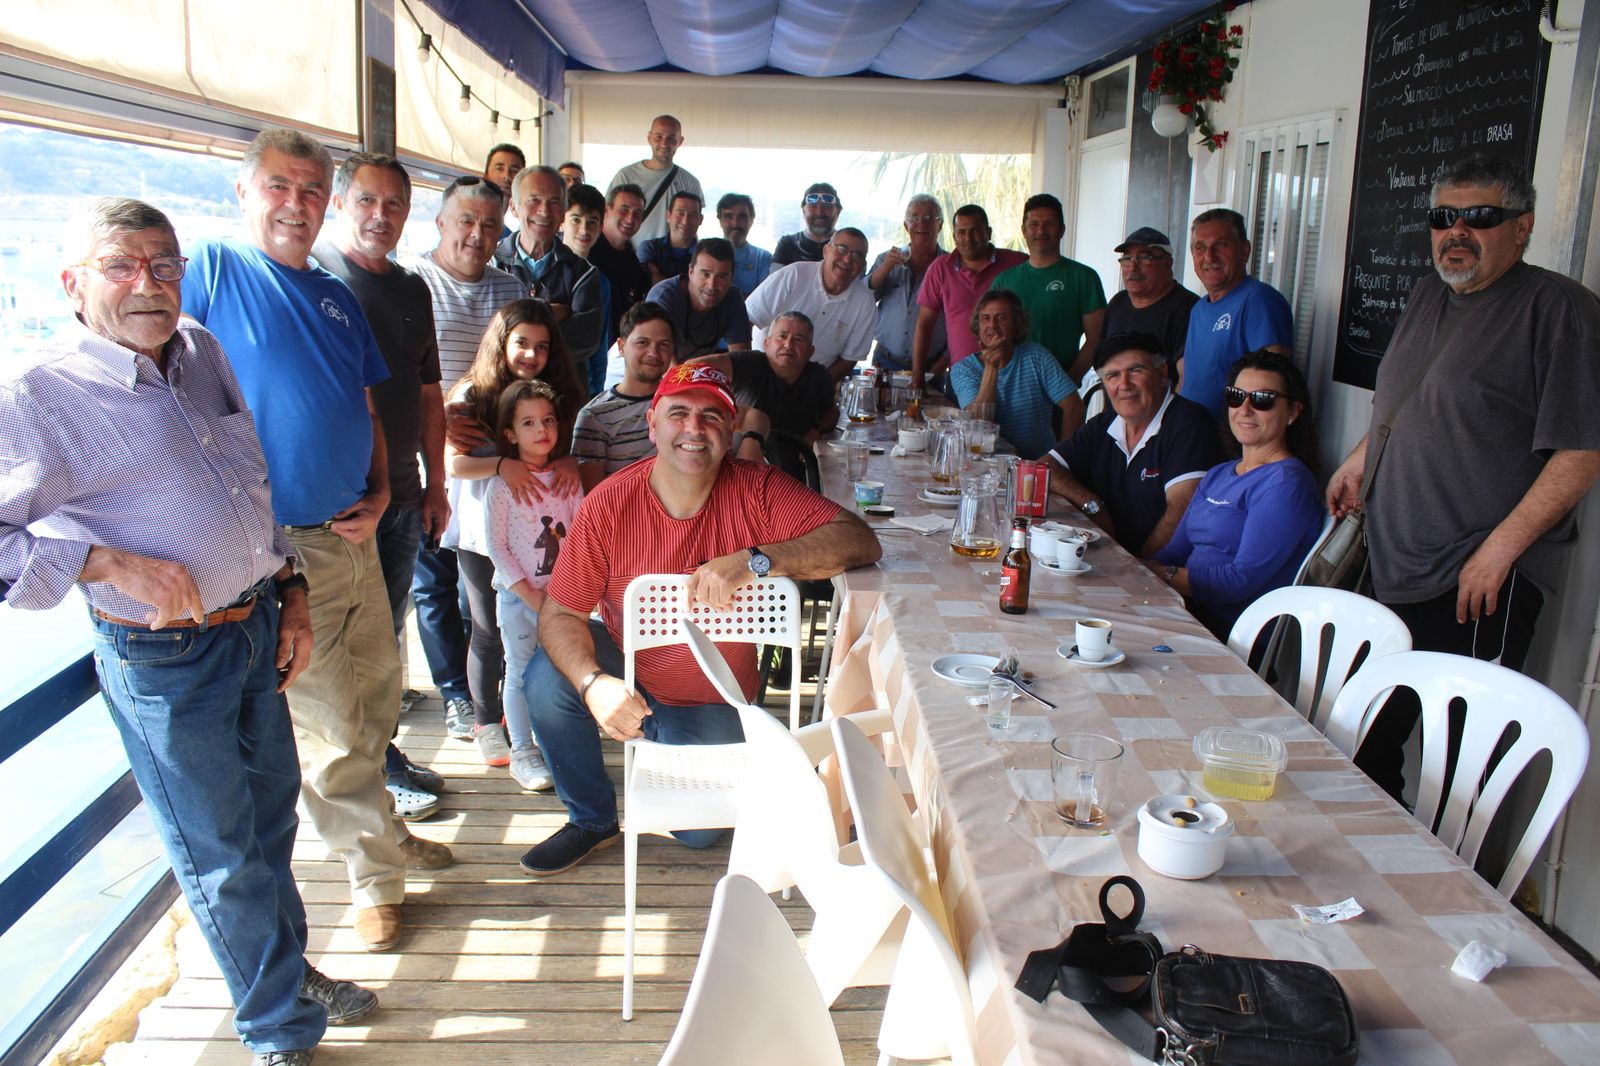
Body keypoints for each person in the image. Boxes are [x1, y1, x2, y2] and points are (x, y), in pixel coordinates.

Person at [1, 196, 376, 1066]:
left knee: (273, 825)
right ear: (71, 284)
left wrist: (294, 590)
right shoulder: (39, 397)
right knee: (221, 856)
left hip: (254, 630)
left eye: (164, 265)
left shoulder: (199, 349)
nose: (148, 284)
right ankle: (279, 1032)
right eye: (121, 266)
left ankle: (287, 974)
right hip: (164, 658)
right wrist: (102, 564)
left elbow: (248, 479)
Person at [182, 128, 438, 953]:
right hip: (285, 547)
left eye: (311, 191)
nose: (297, 204)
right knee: (327, 721)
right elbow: (153, 374)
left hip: (354, 530)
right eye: (281, 187)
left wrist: (385, 488)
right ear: (246, 192)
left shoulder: (334, 294)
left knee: (375, 693)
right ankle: (373, 878)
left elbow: (362, 408)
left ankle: (386, 838)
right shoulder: (215, 272)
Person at [519, 363, 882, 875]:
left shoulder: (756, 488)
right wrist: (593, 683)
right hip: (629, 666)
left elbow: (860, 539)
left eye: (712, 416)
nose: (694, 429)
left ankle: (659, 746)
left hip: (715, 694)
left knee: (700, 832)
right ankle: (591, 820)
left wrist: (756, 560)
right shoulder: (608, 504)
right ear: (652, 423)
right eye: (679, 413)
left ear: (731, 431)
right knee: (545, 681)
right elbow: (560, 612)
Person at [1325, 155, 1600, 801]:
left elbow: (1581, 453)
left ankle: (1455, 891)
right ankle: (1376, 869)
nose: (1456, 232)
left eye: (1479, 218)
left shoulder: (1558, 310)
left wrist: (1497, 554)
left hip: (1475, 580)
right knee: (1364, 737)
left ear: (1522, 226)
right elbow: (1406, 400)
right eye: (1443, 218)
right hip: (1393, 561)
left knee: (1460, 768)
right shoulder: (1428, 295)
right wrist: (1362, 457)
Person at [315, 152, 452, 823]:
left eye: (393, 204)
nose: (380, 216)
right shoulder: (314, 279)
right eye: (367, 201)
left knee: (386, 639)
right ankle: (359, 778)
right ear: (341, 203)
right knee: (342, 646)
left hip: (401, 495)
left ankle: (382, 755)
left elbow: (429, 394)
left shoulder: (410, 287)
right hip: (340, 507)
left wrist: (436, 484)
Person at [407, 176, 526, 741]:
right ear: (440, 222)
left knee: (484, 583)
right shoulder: (410, 284)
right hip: (428, 458)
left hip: (495, 461)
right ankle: (457, 693)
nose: (477, 234)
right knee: (432, 582)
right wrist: (437, 417)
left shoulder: (511, 289)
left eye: (489, 224)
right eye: (466, 221)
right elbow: (385, 375)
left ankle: (494, 692)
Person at [444, 300, 583, 771]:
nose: (531, 354)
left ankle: (534, 722)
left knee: (528, 636)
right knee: (486, 628)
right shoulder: (471, 394)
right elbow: (452, 462)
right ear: (501, 342)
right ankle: (488, 722)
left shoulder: (551, 394)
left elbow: (569, 449)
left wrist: (564, 462)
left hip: (538, 520)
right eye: (522, 342)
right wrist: (503, 464)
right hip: (484, 522)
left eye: (542, 347)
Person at [1149, 351, 1323, 639]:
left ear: (1293, 412)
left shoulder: (1287, 483)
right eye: (1235, 396)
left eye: (1262, 399)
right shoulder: (1219, 473)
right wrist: (1138, 569)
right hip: (1181, 613)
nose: (1244, 409)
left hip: (1227, 636)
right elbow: (1175, 551)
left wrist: (1157, 575)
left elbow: (1239, 580)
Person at [486, 379, 584, 792]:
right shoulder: (501, 485)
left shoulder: (568, 480)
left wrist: (571, 592)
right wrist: (528, 592)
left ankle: (555, 746)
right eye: (528, 423)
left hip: (563, 601)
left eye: (547, 420)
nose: (540, 430)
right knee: (521, 673)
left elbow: (581, 536)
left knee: (560, 671)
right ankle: (523, 751)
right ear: (510, 433)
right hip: (519, 599)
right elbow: (496, 544)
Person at [1047, 332, 1222, 555]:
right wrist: (1092, 504)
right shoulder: (1104, 424)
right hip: (1110, 558)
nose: (1124, 384)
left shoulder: (1189, 423)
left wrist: (1137, 566)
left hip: (1163, 570)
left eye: (1136, 370)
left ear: (1161, 373)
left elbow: (1182, 509)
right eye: (1113, 375)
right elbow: (1046, 467)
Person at [690, 310, 838, 486]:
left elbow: (831, 413)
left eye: (798, 339)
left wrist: (815, 431)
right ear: (766, 343)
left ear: (811, 351)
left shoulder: (818, 376)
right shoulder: (748, 362)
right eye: (781, 336)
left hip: (792, 478)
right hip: (733, 469)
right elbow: (692, 369)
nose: (788, 344)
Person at [1177, 208, 1293, 419]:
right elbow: (1187, 376)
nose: (1209, 256)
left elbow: (1273, 382)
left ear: (1245, 250)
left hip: (1231, 443)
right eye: (1199, 247)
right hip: (1193, 436)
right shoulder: (1198, 309)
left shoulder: (1259, 300)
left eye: (1221, 245)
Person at [494, 165, 603, 386]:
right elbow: (482, 330)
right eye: (534, 200)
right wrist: (547, 312)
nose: (544, 211)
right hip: (500, 395)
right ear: (514, 207)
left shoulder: (583, 273)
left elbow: (586, 339)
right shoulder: (493, 262)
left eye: (554, 202)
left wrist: (514, 333)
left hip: (559, 400)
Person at [949, 289, 1084, 460]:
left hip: (1037, 464)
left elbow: (1075, 407)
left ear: (1016, 325)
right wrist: (991, 368)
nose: (992, 325)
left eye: (1002, 318)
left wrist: (1063, 459)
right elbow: (979, 425)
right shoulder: (963, 369)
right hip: (984, 465)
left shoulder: (1036, 356)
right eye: (985, 318)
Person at [911, 204, 1027, 390]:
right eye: (961, 232)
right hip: (962, 378)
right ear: (954, 236)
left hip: (1011, 376)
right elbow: (924, 323)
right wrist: (917, 377)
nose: (968, 239)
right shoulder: (941, 268)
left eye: (975, 231)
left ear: (988, 233)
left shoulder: (1017, 263)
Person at [992, 193, 1105, 381]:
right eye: (1034, 224)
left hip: (1061, 392)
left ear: (1062, 230)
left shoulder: (1083, 277)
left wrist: (1067, 382)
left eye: (1049, 224)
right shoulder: (1004, 280)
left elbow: (1096, 339)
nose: (1041, 231)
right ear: (1023, 230)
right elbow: (990, 332)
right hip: (1009, 385)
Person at [745, 227, 875, 382]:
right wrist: (748, 374)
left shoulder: (865, 302)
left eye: (857, 255)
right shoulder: (794, 275)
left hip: (811, 385)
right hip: (762, 374)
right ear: (826, 250)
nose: (847, 260)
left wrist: (814, 389)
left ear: (863, 265)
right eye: (842, 249)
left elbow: (849, 359)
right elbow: (746, 319)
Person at [573, 301, 675, 489]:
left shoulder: (682, 401)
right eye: (642, 343)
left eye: (663, 345)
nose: (653, 353)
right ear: (621, 347)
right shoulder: (595, 416)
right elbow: (593, 499)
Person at [1102, 227, 1199, 372]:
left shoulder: (1188, 308)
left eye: (1144, 258)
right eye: (1127, 258)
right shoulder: (1118, 303)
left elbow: (1186, 377)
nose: (1133, 268)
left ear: (1167, 263)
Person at [868, 193, 946, 374]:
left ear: (940, 224)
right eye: (914, 218)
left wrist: (945, 360)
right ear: (906, 225)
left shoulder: (949, 267)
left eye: (928, 218)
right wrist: (885, 268)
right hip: (885, 361)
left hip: (931, 367)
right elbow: (865, 297)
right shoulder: (886, 259)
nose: (921, 223)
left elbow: (959, 318)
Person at [644, 238, 752, 359]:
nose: (712, 285)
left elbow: (742, 360)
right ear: (691, 272)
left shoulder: (732, 299)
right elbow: (661, 362)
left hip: (689, 370)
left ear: (731, 278)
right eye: (705, 274)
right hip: (642, 367)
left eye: (722, 276)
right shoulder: (664, 297)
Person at [607, 115, 704, 243]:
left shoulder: (690, 182)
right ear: (649, 138)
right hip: (629, 256)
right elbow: (609, 217)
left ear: (680, 141)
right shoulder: (626, 175)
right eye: (659, 137)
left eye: (671, 139)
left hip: (670, 259)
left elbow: (692, 227)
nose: (664, 144)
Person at [561, 182, 612, 397]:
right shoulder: (544, 269)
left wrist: (597, 393)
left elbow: (600, 345)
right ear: (561, 221)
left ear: (601, 227)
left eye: (592, 222)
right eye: (576, 220)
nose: (584, 230)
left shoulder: (601, 282)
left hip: (582, 389)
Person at [589, 183, 651, 349]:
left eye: (637, 213)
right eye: (624, 209)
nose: (630, 218)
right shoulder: (588, 250)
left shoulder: (633, 262)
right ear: (606, 210)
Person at [637, 191, 703, 286]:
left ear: (700, 219)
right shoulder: (650, 248)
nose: (686, 221)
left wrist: (657, 277)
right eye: (680, 213)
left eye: (692, 215)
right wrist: (688, 285)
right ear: (668, 216)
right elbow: (641, 279)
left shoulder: (705, 254)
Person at [716, 192, 773, 296]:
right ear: (720, 220)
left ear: (751, 221)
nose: (735, 223)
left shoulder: (763, 258)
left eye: (742, 217)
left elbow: (763, 300)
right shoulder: (706, 254)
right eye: (729, 216)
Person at [772, 182, 842, 266]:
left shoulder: (849, 247)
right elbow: (776, 278)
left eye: (827, 206)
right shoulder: (787, 245)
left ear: (838, 211)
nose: (819, 212)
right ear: (803, 210)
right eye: (813, 206)